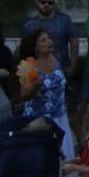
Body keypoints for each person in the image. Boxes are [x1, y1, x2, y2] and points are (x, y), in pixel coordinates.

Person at [19, 28, 76, 159]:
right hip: (39, 120)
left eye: (49, 38)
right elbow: (24, 95)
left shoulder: (56, 58)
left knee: (63, 160)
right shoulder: (28, 65)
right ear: (35, 47)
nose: (49, 42)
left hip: (60, 115)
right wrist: (34, 87)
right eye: (43, 40)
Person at [22, 0, 78, 89]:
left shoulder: (64, 20)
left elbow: (73, 41)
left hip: (62, 67)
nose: (46, 5)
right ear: (37, 2)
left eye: (50, 2)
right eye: (43, 2)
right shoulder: (29, 25)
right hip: (38, 71)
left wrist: (73, 65)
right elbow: (25, 48)